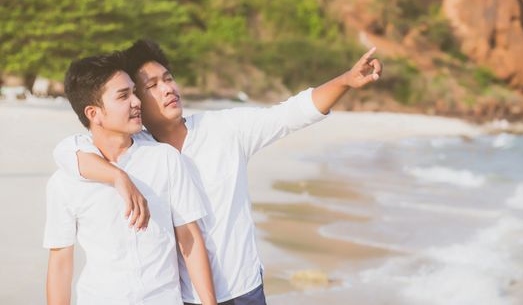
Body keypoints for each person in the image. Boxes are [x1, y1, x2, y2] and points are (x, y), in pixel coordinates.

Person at [53, 40, 383, 304]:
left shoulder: (224, 128)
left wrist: (345, 81)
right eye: (151, 85)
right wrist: (117, 177)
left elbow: (290, 114)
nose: (168, 88)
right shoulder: (136, 149)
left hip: (243, 289)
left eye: (168, 78)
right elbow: (68, 151)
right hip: (180, 296)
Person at [44, 52, 217, 305]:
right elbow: (60, 262)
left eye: (135, 92)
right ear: (94, 113)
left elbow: (189, 238)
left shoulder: (165, 159)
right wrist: (118, 177)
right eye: (123, 96)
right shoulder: (66, 181)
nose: (137, 102)